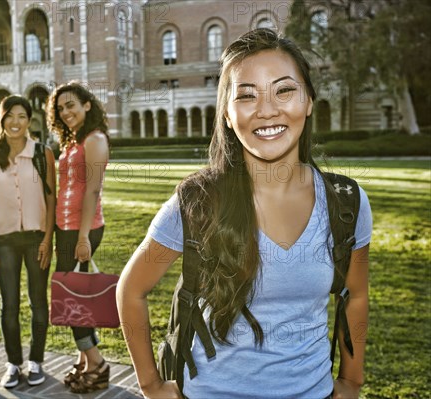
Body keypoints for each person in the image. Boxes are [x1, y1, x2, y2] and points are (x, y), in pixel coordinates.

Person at [116, 28, 372, 399]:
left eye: (284, 90)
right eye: (247, 95)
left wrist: (351, 381)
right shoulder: (198, 201)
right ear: (227, 115)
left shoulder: (346, 202)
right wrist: (151, 385)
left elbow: (357, 295)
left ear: (309, 101)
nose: (267, 110)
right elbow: (131, 290)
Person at [0, 95, 56, 388]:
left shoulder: (42, 153)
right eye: (10, 116)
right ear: (1, 119)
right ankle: (13, 363)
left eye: (22, 116)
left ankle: (36, 361)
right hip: (5, 241)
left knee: (38, 301)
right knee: (8, 304)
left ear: (29, 120)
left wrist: (48, 240)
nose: (15, 122)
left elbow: (52, 199)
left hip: (36, 237)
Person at [45, 81, 111, 393]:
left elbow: (93, 191)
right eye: (60, 108)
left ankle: (96, 363)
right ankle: (87, 361)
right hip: (67, 229)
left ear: (86, 104)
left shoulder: (95, 140)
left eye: (71, 105)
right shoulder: (73, 141)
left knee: (69, 299)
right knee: (72, 297)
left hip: (82, 230)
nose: (65, 112)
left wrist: (84, 237)